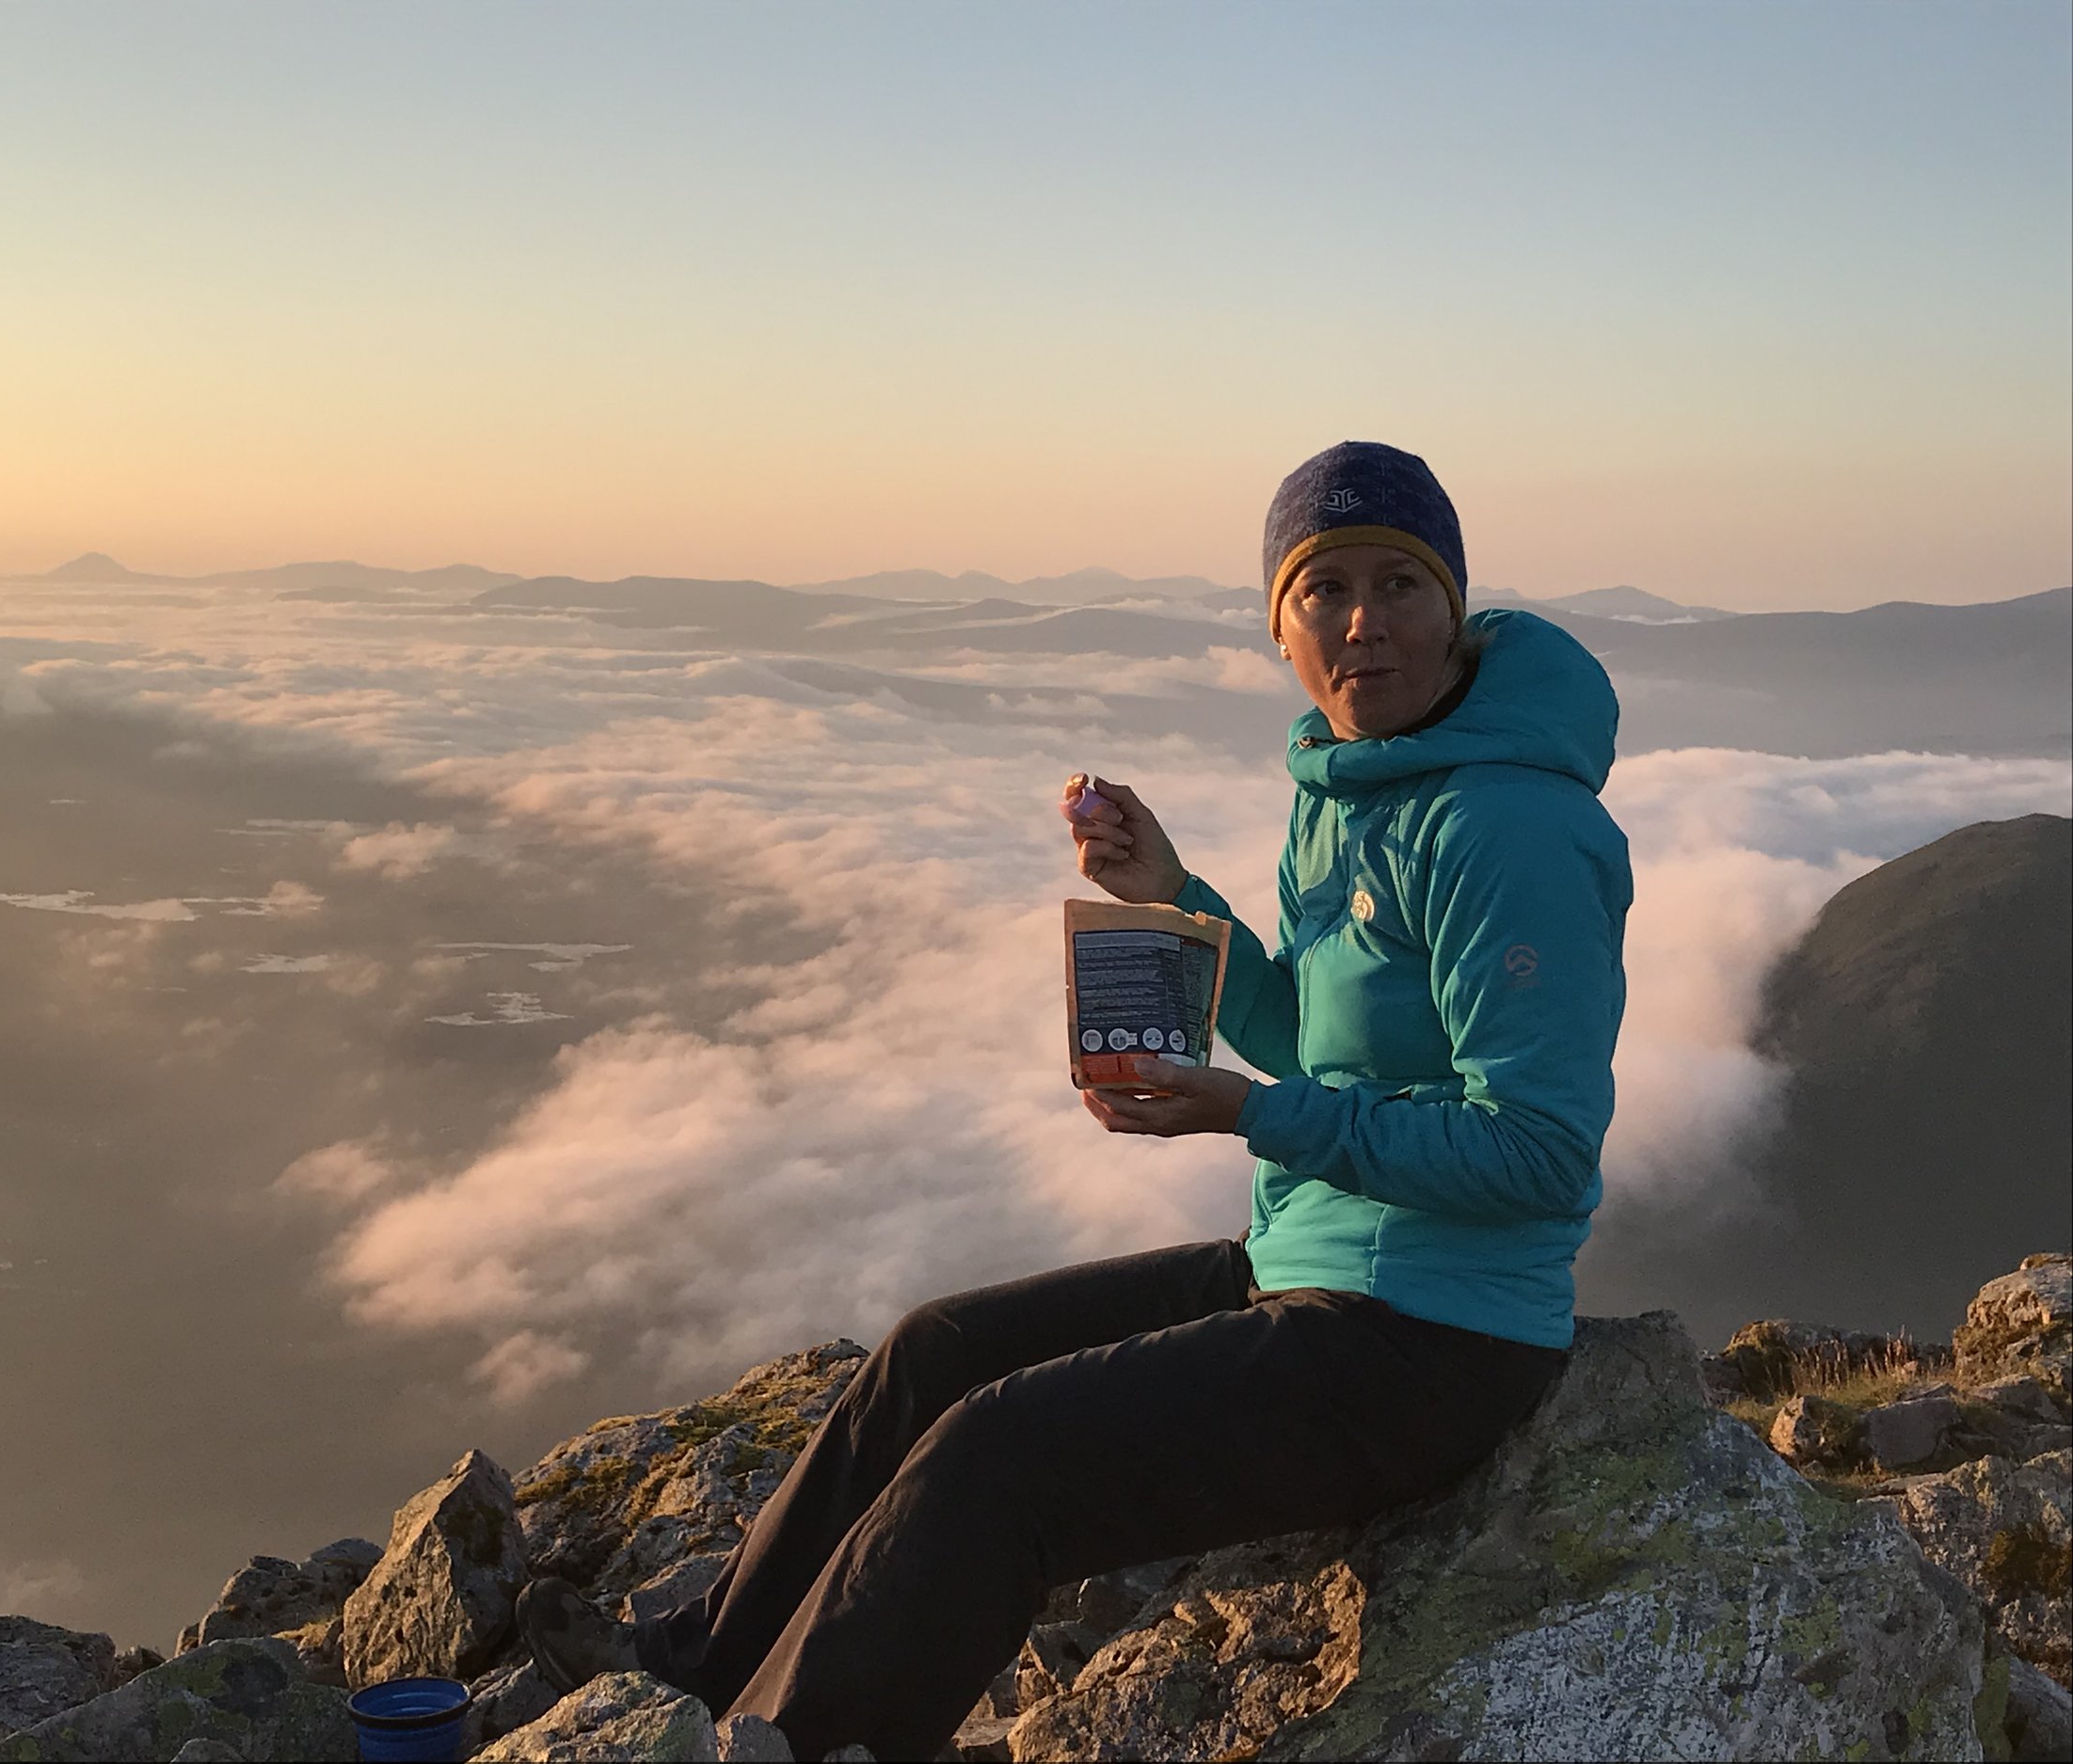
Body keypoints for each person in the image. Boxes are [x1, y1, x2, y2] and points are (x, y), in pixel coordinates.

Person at [515, 439, 1633, 1760]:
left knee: (1003, 1459)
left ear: (1454, 605)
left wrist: (1249, 1117)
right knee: (936, 1354)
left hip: (1437, 1340)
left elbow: (1541, 1155)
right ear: (1278, 628)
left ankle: (799, 1745)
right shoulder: (1345, 787)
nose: (1364, 622)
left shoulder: (1503, 827)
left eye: (1400, 583)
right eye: (1323, 590)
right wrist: (1175, 901)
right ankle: (698, 1671)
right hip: (1309, 1266)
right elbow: (1315, 1036)